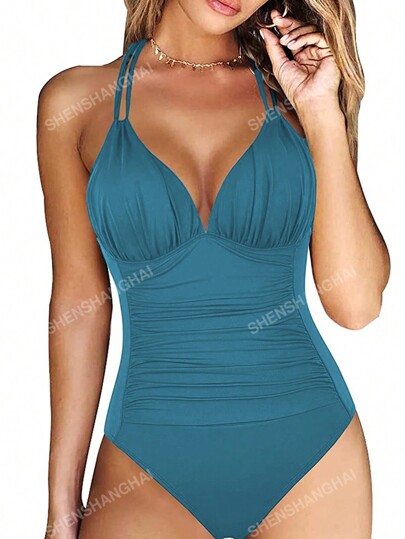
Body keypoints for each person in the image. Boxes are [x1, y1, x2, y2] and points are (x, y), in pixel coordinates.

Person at [37, 1, 390, 538]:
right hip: (145, 465)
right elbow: (79, 304)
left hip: (311, 457)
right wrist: (61, 504)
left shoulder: (293, 95)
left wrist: (321, 111)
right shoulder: (76, 103)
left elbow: (357, 305)